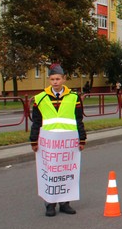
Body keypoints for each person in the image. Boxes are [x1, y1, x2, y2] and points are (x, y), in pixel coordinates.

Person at [30, 64, 86, 217]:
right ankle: (50, 204)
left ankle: (65, 203)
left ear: (64, 79)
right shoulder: (39, 98)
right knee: (49, 172)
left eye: (58, 79)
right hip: (48, 144)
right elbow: (36, 121)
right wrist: (34, 141)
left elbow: (78, 119)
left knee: (66, 172)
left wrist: (82, 139)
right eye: (52, 79)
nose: (55, 82)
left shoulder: (74, 98)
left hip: (68, 143)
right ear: (49, 80)